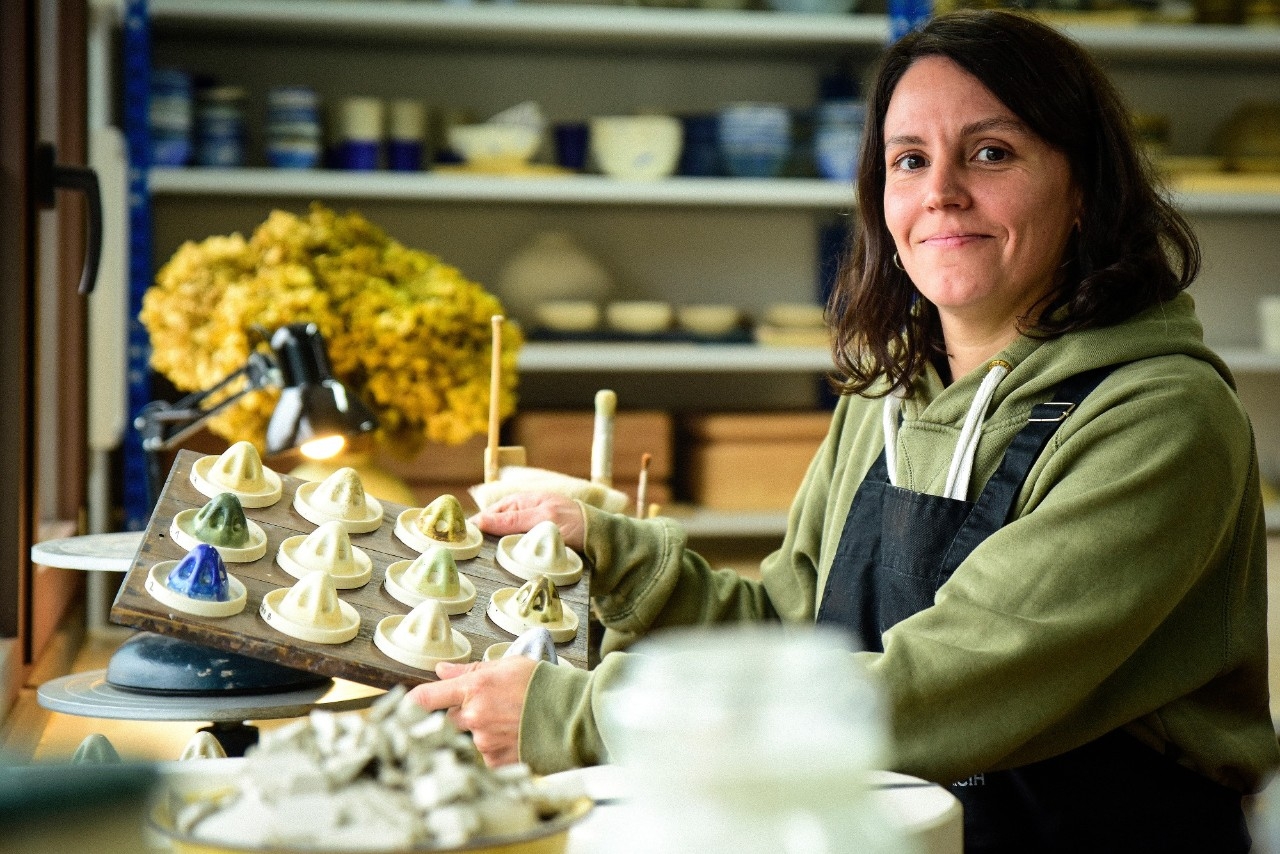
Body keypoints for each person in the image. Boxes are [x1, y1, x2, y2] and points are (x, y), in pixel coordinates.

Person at [409, 10, 1280, 851]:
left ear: (1084, 186)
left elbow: (936, 690)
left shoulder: (1158, 417)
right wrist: (619, 557)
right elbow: (790, 640)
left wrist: (580, 716)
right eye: (910, 160)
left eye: (991, 152)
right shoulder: (888, 396)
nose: (941, 192)